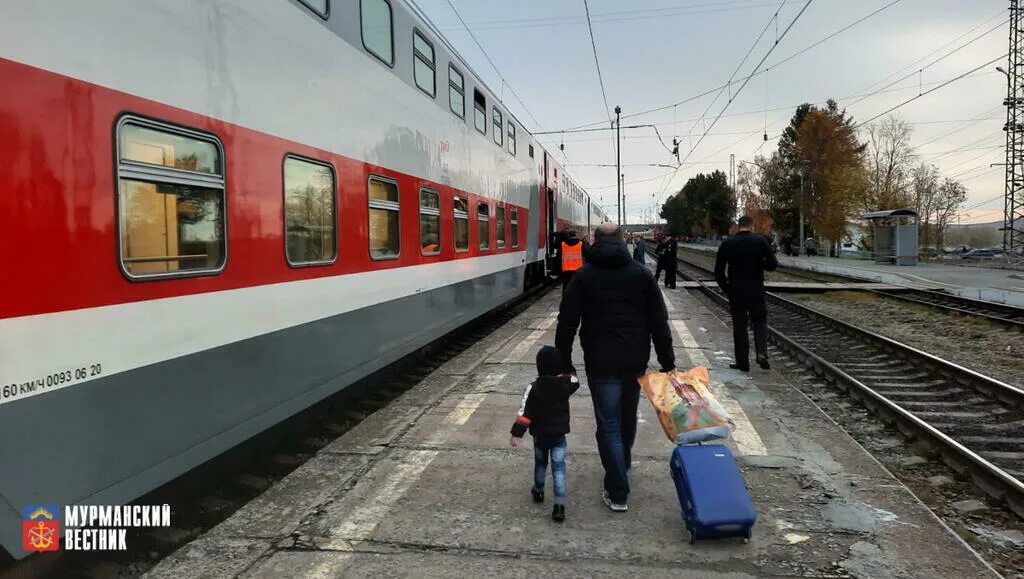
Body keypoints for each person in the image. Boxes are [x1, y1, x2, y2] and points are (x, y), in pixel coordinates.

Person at [555, 222, 675, 513]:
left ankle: (618, 489)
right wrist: (668, 362)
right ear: (623, 241)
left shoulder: (583, 277)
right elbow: (659, 322)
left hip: (600, 360)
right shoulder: (641, 275)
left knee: (608, 424)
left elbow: (567, 322)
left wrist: (564, 362)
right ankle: (623, 465)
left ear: (595, 241)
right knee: (627, 416)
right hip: (635, 360)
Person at [509, 345, 580, 522]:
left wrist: (516, 433)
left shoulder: (533, 387)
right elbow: (575, 380)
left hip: (540, 437)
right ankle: (559, 506)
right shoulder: (566, 384)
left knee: (541, 464)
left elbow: (525, 412)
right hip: (559, 437)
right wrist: (568, 367)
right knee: (559, 469)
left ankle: (539, 491)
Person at [714, 215, 778, 372]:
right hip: (756, 289)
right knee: (760, 321)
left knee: (740, 326)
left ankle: (743, 363)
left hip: (736, 291)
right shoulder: (761, 241)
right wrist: (760, 262)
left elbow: (719, 271)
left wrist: (727, 288)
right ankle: (761, 353)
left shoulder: (728, 243)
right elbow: (772, 265)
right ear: (752, 226)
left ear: (738, 226)